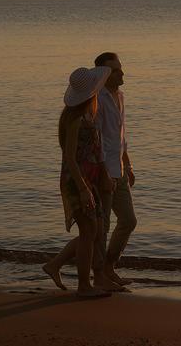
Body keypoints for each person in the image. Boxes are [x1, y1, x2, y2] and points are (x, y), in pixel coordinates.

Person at [44, 66, 114, 298]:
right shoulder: (75, 120)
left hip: (89, 181)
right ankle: (84, 286)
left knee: (94, 230)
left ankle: (55, 265)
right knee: (89, 231)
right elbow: (70, 159)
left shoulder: (87, 116)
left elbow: (95, 151)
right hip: (77, 182)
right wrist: (84, 189)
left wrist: (102, 176)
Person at [91, 51, 137, 287]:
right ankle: (99, 275)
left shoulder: (119, 96)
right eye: (116, 69)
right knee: (103, 225)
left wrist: (127, 165)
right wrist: (104, 173)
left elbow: (121, 136)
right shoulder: (96, 99)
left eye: (120, 68)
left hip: (118, 169)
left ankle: (109, 266)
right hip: (104, 172)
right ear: (104, 73)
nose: (122, 72)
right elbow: (96, 140)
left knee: (128, 221)